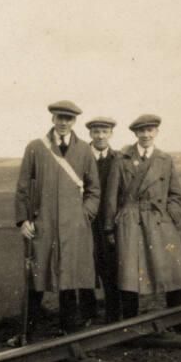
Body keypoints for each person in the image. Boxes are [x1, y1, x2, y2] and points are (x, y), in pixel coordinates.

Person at [12, 100, 100, 343]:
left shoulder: (83, 150)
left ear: (75, 121)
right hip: (43, 224)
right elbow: (22, 188)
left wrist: (85, 215)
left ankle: (69, 333)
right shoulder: (36, 148)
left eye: (68, 119)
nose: (63, 122)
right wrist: (23, 221)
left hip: (73, 227)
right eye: (60, 117)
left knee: (69, 277)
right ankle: (26, 334)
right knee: (36, 278)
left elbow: (94, 189)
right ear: (52, 118)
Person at [104, 114, 181, 319]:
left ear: (156, 132)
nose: (146, 135)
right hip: (130, 220)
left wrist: (171, 217)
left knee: (173, 267)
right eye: (141, 131)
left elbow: (175, 194)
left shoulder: (165, 159)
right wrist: (110, 226)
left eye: (150, 130)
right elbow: (111, 197)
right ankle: (130, 320)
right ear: (135, 133)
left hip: (159, 219)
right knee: (130, 270)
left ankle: (176, 316)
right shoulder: (122, 159)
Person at [79, 117, 121, 324]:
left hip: (110, 222)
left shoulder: (119, 158)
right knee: (85, 264)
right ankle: (88, 313)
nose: (100, 136)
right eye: (96, 132)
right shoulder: (80, 157)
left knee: (111, 265)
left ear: (111, 133)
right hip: (85, 220)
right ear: (90, 134)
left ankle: (113, 314)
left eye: (105, 131)